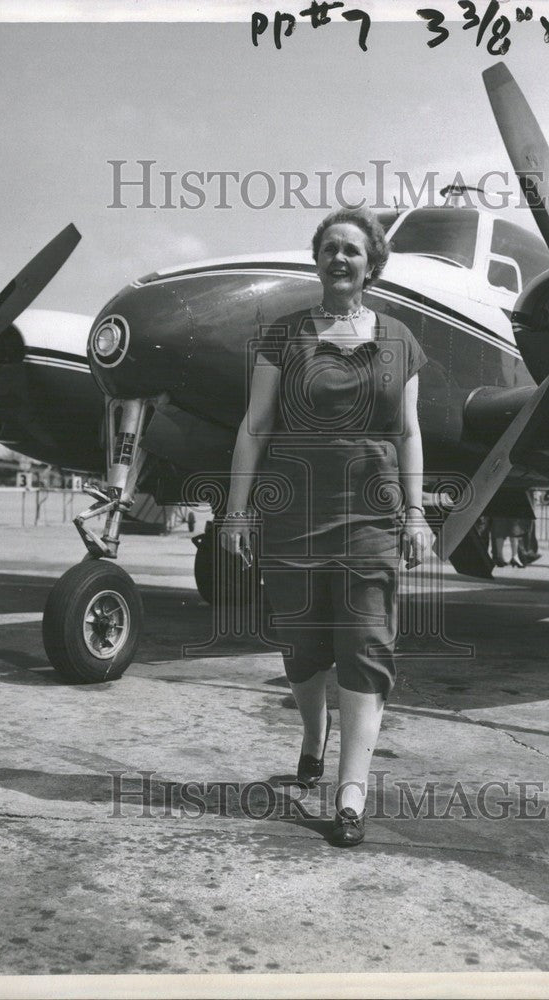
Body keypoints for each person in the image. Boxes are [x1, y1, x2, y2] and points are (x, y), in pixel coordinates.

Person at [221, 207, 432, 847]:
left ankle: (350, 795)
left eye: (353, 251)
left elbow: (408, 431)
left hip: (372, 517)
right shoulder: (283, 336)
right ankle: (314, 733)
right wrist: (237, 508)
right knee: (304, 655)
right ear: (317, 259)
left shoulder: (398, 339)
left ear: (372, 265)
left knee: (366, 654)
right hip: (294, 520)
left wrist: (417, 512)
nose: (341, 259)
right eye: (330, 248)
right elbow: (254, 425)